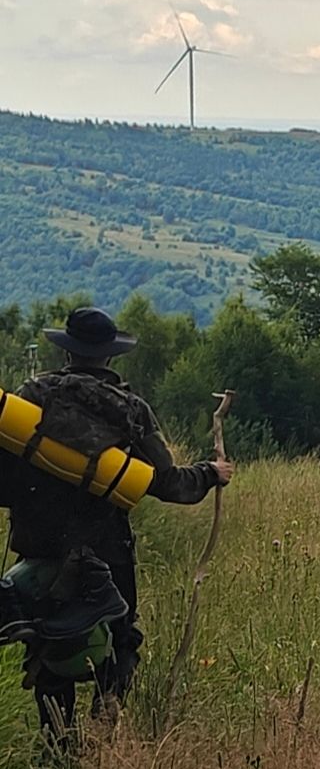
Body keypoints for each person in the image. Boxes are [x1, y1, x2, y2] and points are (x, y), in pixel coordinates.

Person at [0, 306, 232, 746]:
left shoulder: (30, 397)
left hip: (38, 547)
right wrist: (210, 472)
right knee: (120, 642)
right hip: (105, 551)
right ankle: (103, 736)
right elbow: (166, 484)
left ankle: (57, 749)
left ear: (67, 350)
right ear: (109, 356)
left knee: (49, 645)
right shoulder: (128, 408)